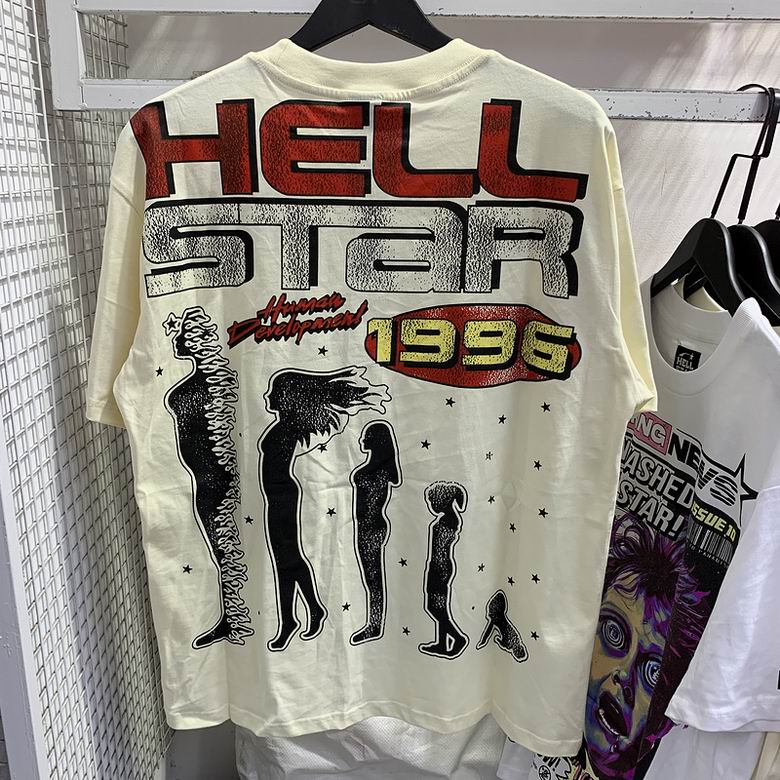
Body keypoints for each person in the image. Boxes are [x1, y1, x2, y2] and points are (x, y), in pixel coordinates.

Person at [258, 365, 390, 652]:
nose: (268, 396)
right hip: (278, 496)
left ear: (287, 398)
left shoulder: (286, 429)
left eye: (274, 392)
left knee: (288, 557)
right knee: (284, 559)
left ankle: (298, 617)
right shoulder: (285, 427)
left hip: (282, 496)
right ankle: (301, 614)